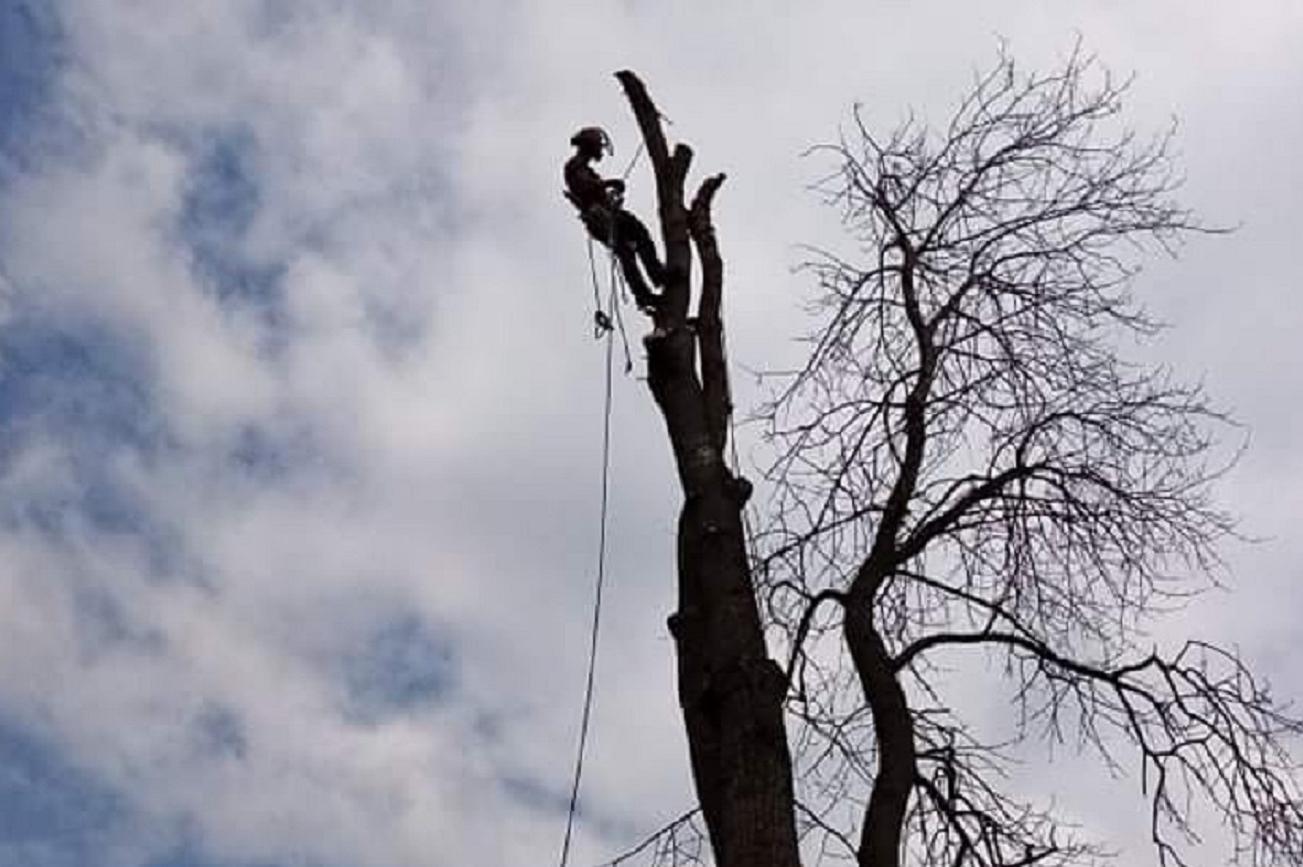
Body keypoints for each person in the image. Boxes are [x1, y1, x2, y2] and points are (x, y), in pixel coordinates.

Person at [564, 127, 665, 310]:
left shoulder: (583, 168)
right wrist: (609, 183)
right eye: (598, 146)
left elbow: (592, 190)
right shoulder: (575, 165)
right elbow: (585, 187)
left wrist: (609, 195)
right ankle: (657, 275)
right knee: (638, 232)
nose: (600, 150)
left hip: (601, 217)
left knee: (626, 254)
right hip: (601, 217)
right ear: (589, 145)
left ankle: (644, 296)